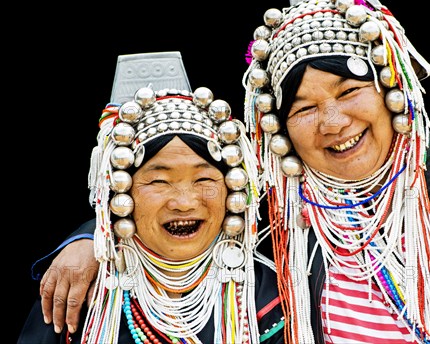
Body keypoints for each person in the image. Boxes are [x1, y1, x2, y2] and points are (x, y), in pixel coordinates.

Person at [31, 0, 430, 344]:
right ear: (278, 126)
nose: (332, 122)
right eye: (302, 108)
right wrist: (88, 241)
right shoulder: (274, 213)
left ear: (391, 86)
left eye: (350, 91)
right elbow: (179, 202)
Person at [18, 65, 285, 343]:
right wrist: (93, 235)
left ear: (232, 187)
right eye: (159, 182)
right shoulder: (83, 293)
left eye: (203, 178)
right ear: (121, 193)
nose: (184, 202)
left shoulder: (268, 294)